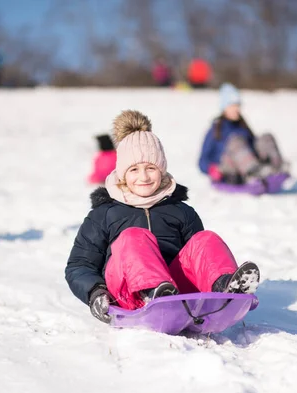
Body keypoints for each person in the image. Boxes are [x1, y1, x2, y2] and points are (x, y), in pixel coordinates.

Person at [65, 110, 260, 323]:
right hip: (127, 293)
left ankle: (225, 288)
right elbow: (80, 265)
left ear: (162, 170)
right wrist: (96, 292)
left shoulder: (181, 211)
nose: (144, 177)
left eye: (151, 168)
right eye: (134, 170)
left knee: (205, 239)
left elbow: (197, 259)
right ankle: (151, 291)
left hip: (175, 293)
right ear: (122, 174)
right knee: (134, 237)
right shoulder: (104, 214)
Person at [198, 83, 289, 185]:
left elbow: (254, 146)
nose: (237, 109)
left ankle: (276, 167)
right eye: (232, 105)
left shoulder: (242, 127)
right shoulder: (215, 130)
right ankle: (253, 172)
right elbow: (202, 161)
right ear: (224, 107)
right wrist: (212, 170)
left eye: (238, 105)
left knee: (266, 137)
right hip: (229, 171)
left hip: (248, 165)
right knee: (235, 141)